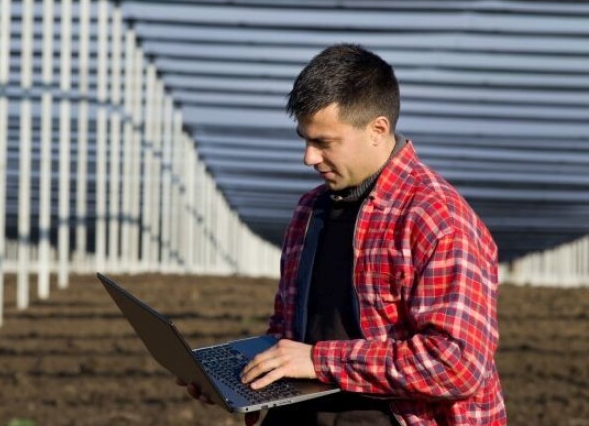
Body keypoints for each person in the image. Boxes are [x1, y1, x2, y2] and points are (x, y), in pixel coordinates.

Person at [178, 44, 506, 425]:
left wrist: (318, 361)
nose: (309, 157)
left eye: (323, 143)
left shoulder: (436, 218)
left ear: (377, 130)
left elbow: (457, 364)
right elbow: (289, 333)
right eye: (305, 139)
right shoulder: (309, 211)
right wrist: (241, 381)